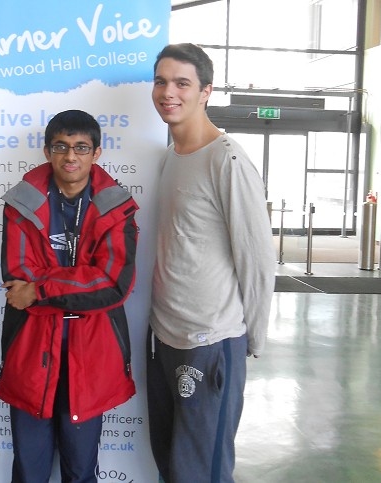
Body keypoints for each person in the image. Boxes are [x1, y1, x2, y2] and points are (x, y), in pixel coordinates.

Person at [146, 44, 276, 483]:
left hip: (211, 339)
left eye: (182, 83)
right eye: (161, 81)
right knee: (171, 465)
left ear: (206, 91)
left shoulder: (228, 160)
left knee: (202, 472)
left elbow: (256, 260)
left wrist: (250, 339)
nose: (169, 92)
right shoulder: (170, 158)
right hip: (165, 337)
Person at [0, 109, 138, 482]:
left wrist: (42, 288)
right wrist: (77, 285)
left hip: (90, 357)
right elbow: (17, 279)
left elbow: (112, 284)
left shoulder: (116, 207)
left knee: (80, 470)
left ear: (96, 153)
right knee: (29, 471)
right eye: (60, 147)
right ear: (47, 152)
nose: (70, 156)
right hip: (31, 352)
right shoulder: (20, 203)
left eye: (80, 147)